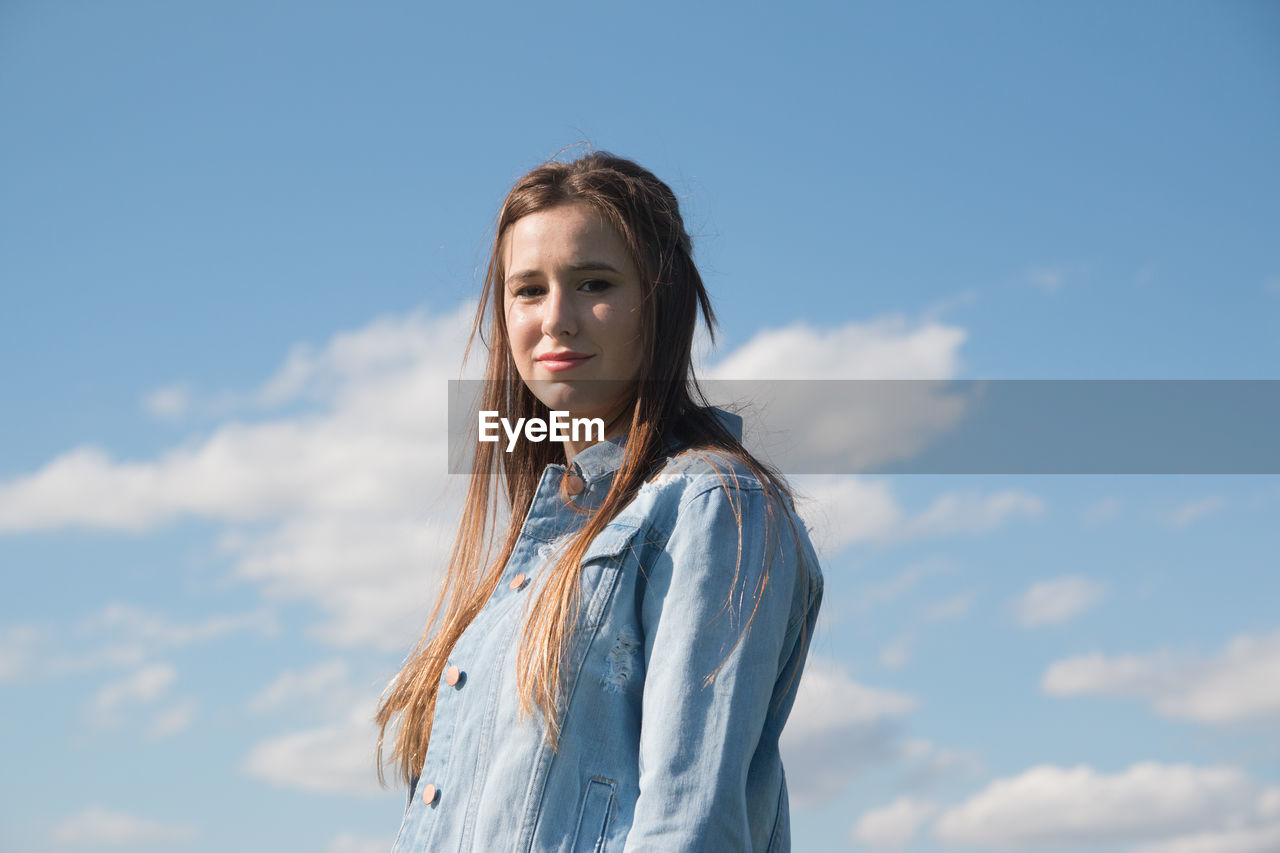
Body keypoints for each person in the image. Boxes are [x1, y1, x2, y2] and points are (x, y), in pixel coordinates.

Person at [376, 151, 824, 852]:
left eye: (594, 283)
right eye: (528, 290)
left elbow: (690, 826)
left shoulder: (712, 506)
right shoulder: (526, 564)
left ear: (660, 302)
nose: (557, 319)